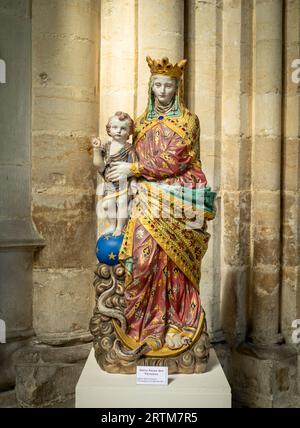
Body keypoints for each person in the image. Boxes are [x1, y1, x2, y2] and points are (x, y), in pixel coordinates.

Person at [105, 57, 216, 357]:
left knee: (176, 266)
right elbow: (123, 157)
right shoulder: (139, 123)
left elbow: (176, 158)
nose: (163, 90)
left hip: (181, 200)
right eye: (158, 84)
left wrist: (134, 170)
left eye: (169, 85)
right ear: (151, 87)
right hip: (147, 200)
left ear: (177, 88)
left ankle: (177, 325)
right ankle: (144, 327)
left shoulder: (188, 121)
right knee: (142, 262)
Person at [91, 111, 137, 237]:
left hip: (124, 183)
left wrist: (133, 183)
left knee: (122, 203)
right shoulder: (107, 146)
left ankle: (120, 227)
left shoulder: (129, 149)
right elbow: (99, 165)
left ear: (129, 132)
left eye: (123, 128)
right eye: (115, 127)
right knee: (108, 205)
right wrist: (96, 149)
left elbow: (133, 168)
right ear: (109, 129)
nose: (118, 131)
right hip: (110, 183)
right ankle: (112, 225)